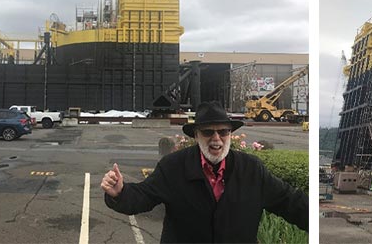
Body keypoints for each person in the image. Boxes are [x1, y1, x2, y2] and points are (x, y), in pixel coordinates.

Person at [100, 101, 308, 243]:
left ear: (229, 134)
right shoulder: (173, 166)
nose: (216, 138)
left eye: (223, 132)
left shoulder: (251, 169)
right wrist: (120, 193)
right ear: (197, 135)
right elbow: (144, 196)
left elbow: (290, 201)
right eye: (208, 132)